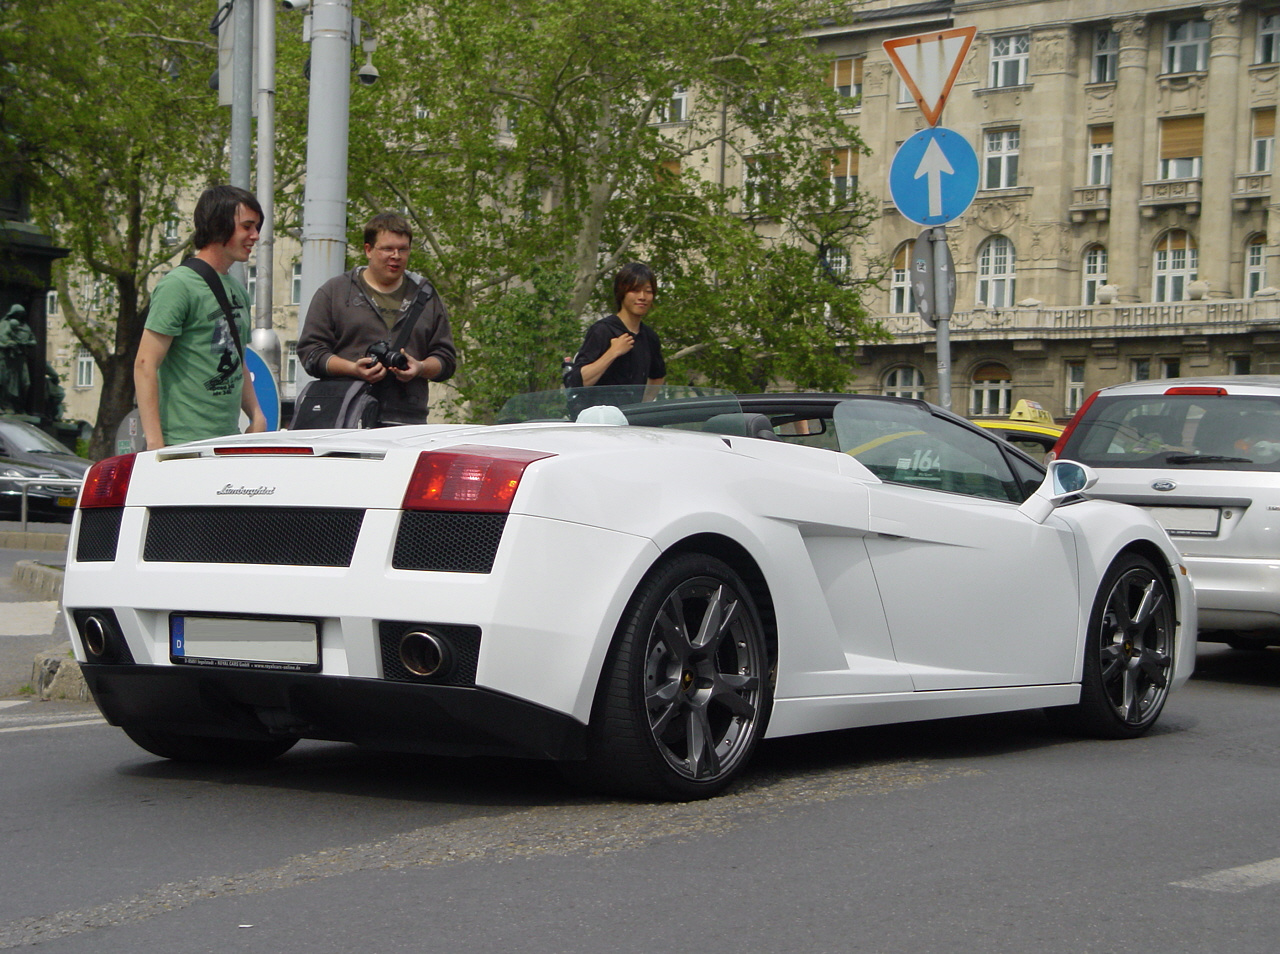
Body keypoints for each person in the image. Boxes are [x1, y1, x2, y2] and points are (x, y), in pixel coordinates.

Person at [134, 185, 268, 449]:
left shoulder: (238, 290)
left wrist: (257, 415)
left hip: (227, 440)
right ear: (219, 225)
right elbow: (144, 365)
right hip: (182, 444)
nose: (256, 236)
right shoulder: (178, 285)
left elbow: (237, 360)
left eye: (257, 227)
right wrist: (156, 444)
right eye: (247, 226)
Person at [297, 212, 456, 425]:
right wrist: (352, 369)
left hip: (407, 421)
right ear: (368, 250)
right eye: (388, 248)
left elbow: (445, 358)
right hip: (346, 417)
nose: (396, 256)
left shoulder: (425, 296)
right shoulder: (336, 292)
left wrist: (420, 367)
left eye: (403, 249)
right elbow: (311, 353)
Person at [565, 262, 666, 397]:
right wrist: (613, 352)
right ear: (622, 292)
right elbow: (577, 382)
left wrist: (644, 406)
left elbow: (658, 376)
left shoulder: (649, 337)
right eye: (635, 290)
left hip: (631, 416)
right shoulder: (602, 330)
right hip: (599, 416)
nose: (642, 297)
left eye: (648, 291)